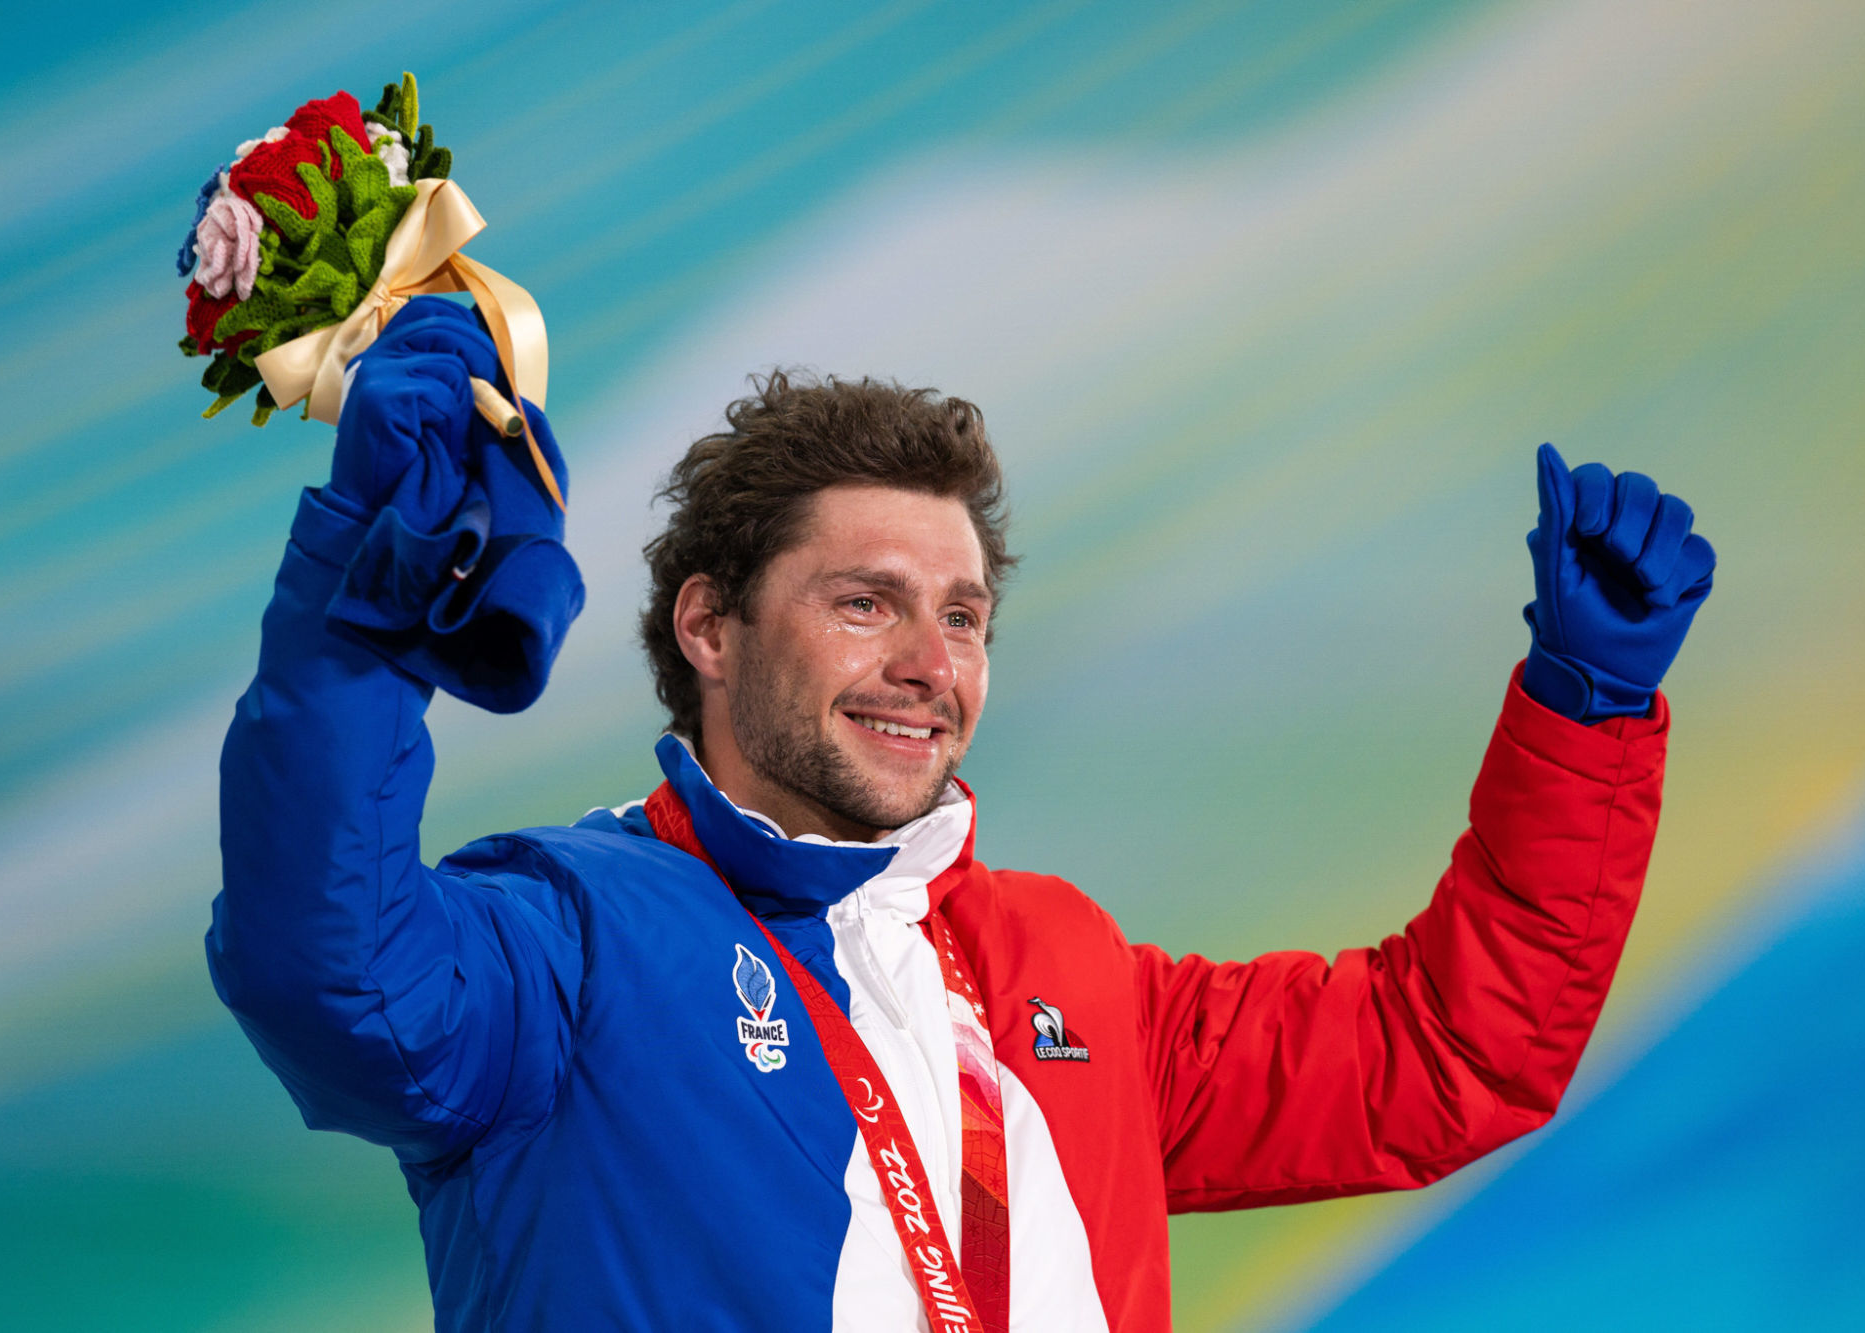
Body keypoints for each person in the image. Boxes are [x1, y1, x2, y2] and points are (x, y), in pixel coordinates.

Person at [207, 298, 1714, 1333]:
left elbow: (1441, 1054)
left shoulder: (1063, 968)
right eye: (867, 604)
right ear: (711, 627)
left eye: (965, 615)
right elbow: (331, 973)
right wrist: (361, 605)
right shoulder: (569, 943)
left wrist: (1584, 714)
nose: (932, 663)